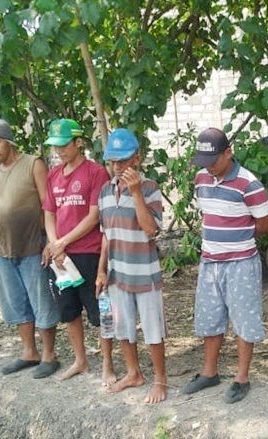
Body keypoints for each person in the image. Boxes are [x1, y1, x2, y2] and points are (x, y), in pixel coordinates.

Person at [182, 128, 268, 404]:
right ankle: (209, 372)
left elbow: (264, 223)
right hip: (210, 262)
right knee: (210, 318)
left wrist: (238, 240)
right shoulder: (201, 178)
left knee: (244, 320)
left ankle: (241, 378)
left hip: (241, 264)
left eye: (213, 160)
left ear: (228, 153)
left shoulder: (249, 184)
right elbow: (208, 213)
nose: (209, 167)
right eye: (203, 161)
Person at [0, 119, 61, 379]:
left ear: (9, 141)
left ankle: (49, 355)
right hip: (5, 249)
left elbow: (47, 204)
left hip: (32, 244)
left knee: (41, 302)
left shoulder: (32, 164)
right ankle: (29, 352)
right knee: (15, 303)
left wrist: (50, 240)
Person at [96, 128, 168, 404]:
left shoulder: (149, 188)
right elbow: (106, 234)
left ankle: (160, 380)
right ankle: (133, 373)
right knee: (123, 326)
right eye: (113, 162)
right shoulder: (104, 192)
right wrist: (102, 270)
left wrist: (136, 192)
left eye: (123, 161)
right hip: (117, 273)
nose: (117, 167)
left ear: (136, 159)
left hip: (144, 272)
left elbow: (151, 230)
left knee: (152, 328)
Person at [42, 118, 115, 383]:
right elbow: (49, 212)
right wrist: (54, 244)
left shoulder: (96, 173)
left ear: (78, 143)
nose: (59, 151)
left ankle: (107, 364)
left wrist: (63, 242)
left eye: (63, 145)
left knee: (99, 311)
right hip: (61, 256)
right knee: (69, 310)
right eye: (55, 146)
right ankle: (80, 360)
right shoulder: (53, 175)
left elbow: (94, 216)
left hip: (88, 251)